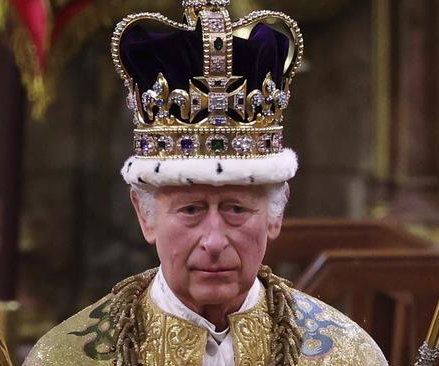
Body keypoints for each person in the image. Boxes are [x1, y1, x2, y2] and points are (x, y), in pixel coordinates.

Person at [24, 0, 388, 364]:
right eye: (191, 209)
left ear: (275, 214)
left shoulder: (347, 355)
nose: (214, 241)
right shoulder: (65, 358)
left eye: (235, 208)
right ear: (145, 215)